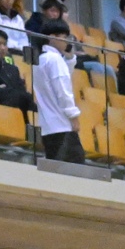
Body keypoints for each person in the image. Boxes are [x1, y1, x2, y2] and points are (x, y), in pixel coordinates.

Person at [34, 27, 83, 161]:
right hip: (61, 125)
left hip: (48, 127)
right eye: (64, 37)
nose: (67, 41)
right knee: (75, 168)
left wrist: (70, 58)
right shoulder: (55, 59)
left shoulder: (41, 59)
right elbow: (63, 91)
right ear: (52, 37)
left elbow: (62, 77)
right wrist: (73, 116)